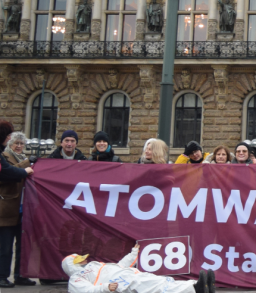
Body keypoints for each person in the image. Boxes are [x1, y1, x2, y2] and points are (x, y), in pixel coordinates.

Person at [63, 248, 215, 293]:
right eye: (79, 260)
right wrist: (104, 288)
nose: (84, 260)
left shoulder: (94, 265)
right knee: (158, 286)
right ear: (72, 265)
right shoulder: (75, 278)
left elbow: (119, 266)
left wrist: (133, 254)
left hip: (127, 275)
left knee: (162, 282)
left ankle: (198, 286)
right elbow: (86, 291)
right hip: (120, 284)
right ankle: (195, 288)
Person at [0, 125, 33, 288]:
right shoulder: (4, 156)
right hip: (7, 208)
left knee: (23, 244)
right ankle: (2, 276)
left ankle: (21, 275)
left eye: (21, 143)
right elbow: (7, 174)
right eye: (16, 143)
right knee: (5, 247)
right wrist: (27, 165)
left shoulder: (23, 158)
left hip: (24, 209)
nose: (19, 146)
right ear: (9, 144)